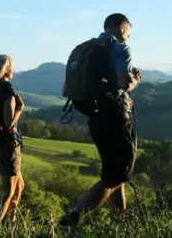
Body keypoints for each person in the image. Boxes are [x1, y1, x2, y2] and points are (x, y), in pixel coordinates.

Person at [60, 13, 141, 226]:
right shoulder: (121, 49)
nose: (128, 38)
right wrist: (134, 82)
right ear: (123, 27)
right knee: (116, 176)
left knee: (115, 174)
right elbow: (124, 84)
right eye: (129, 33)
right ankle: (74, 216)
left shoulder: (82, 50)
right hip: (115, 117)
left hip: (94, 118)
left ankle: (119, 224)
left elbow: (66, 90)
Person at [0, 54, 25, 225]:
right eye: (12, 66)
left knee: (19, 186)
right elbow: (8, 121)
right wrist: (20, 109)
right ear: (8, 68)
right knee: (8, 194)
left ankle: (11, 224)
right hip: (7, 145)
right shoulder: (7, 88)